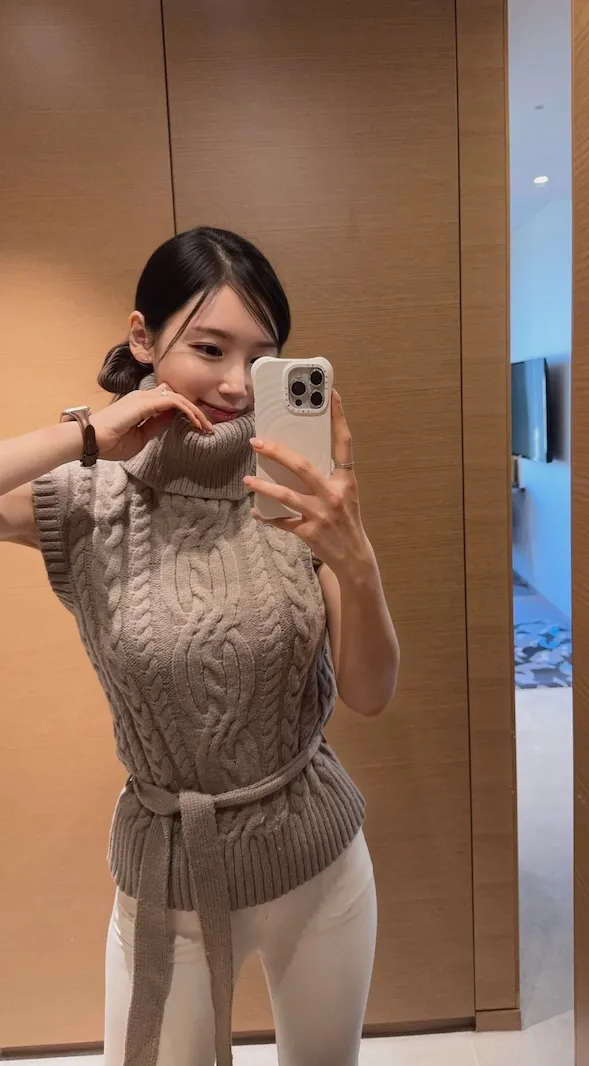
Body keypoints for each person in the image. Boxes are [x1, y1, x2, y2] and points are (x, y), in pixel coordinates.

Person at [0, 227, 400, 1066]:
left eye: (260, 358)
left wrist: (355, 557)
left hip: (318, 861)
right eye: (209, 349)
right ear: (143, 339)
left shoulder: (295, 490)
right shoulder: (86, 500)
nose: (234, 384)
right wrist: (89, 436)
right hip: (168, 877)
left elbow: (369, 692)